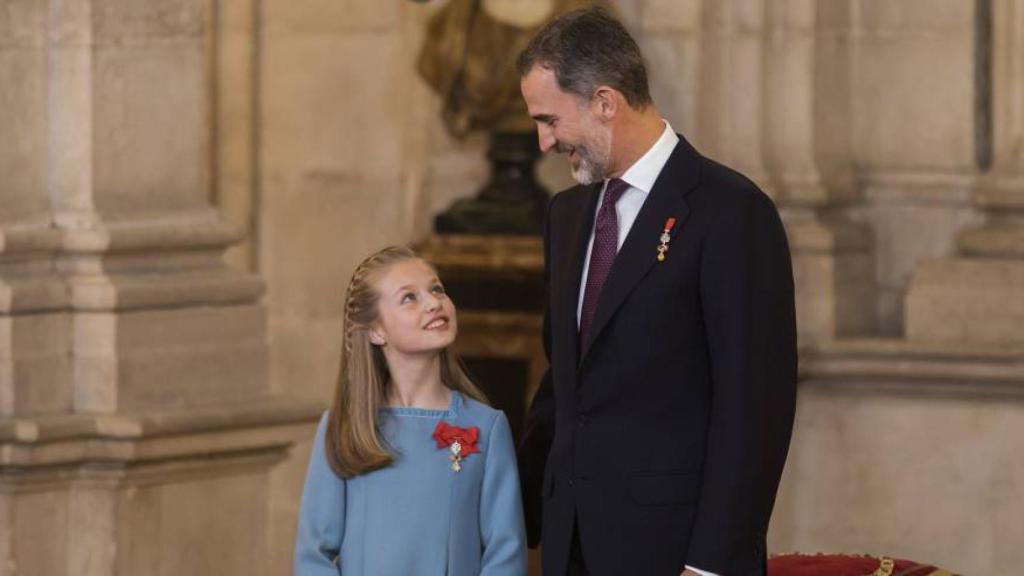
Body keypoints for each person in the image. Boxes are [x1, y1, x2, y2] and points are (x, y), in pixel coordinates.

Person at [515, 7, 797, 576]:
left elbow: (754, 407)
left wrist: (714, 561)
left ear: (604, 101)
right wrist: (509, 516)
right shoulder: (566, 215)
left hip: (673, 551)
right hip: (570, 545)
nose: (544, 143)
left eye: (549, 120)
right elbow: (563, 384)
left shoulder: (731, 211)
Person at [294, 246, 527, 575]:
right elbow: (313, 555)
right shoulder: (345, 428)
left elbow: (506, 552)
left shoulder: (485, 427)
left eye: (437, 289)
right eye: (409, 298)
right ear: (376, 330)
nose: (434, 302)